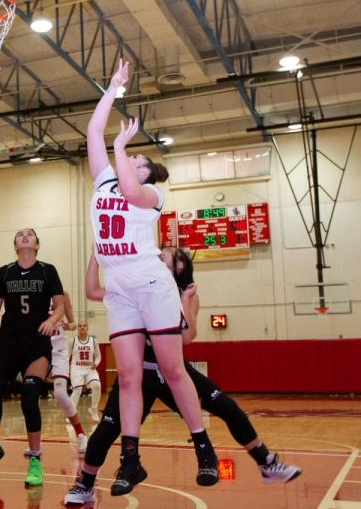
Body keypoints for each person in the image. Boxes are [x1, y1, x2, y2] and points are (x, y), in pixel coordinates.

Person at [64, 253, 301, 504]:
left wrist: (185, 299)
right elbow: (92, 291)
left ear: (180, 268)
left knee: (227, 407)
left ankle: (266, 463)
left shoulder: (186, 293)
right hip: (140, 373)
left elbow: (187, 336)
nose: (163, 252)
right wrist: (97, 253)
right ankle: (85, 485)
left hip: (172, 370)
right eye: (164, 250)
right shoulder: (137, 285)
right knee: (106, 429)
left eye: (172, 254)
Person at [85, 59, 217, 495]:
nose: (133, 155)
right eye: (131, 154)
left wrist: (123, 148)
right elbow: (92, 134)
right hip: (118, 283)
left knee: (172, 369)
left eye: (139, 157)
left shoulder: (152, 194)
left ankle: (203, 449)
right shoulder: (103, 180)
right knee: (125, 376)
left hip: (149, 279)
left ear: (146, 171)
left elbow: (128, 188)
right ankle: (130, 460)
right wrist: (113, 88)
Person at [0, 228, 66, 487]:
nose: (25, 236)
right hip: (8, 343)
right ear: (15, 246)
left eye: (30, 234)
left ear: (37, 245)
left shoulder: (48, 270)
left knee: (30, 396)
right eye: (20, 235)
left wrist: (53, 319)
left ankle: (35, 458)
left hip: (36, 344)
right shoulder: (5, 272)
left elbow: (61, 305)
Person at [46, 293, 89, 455]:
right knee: (31, 392)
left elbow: (73, 324)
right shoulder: (36, 291)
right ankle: (35, 444)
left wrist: (65, 325)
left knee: (60, 393)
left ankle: (81, 435)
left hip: (58, 349)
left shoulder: (62, 295)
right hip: (39, 347)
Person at [69, 322, 102, 422]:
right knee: (77, 390)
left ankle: (93, 409)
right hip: (76, 368)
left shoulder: (93, 341)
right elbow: (67, 356)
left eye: (84, 326)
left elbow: (98, 356)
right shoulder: (72, 340)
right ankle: (71, 414)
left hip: (89, 369)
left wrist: (96, 363)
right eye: (80, 326)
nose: (82, 327)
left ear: (87, 328)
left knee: (97, 385)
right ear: (77, 328)